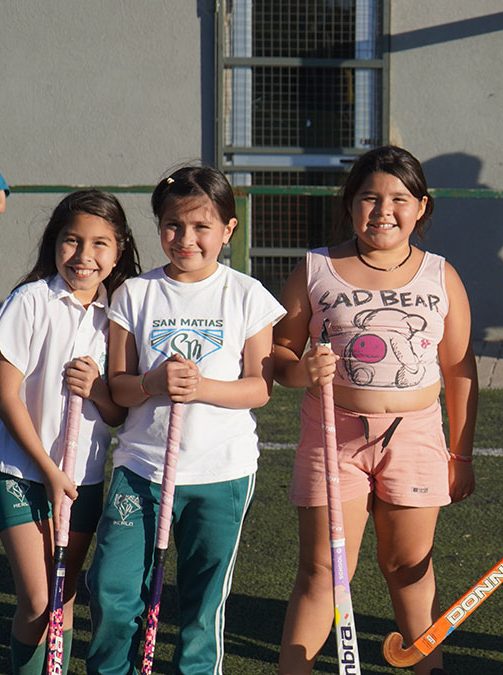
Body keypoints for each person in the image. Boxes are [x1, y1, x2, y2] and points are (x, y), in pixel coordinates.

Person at [273, 145, 478, 675]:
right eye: (370, 198)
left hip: (415, 438)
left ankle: (426, 665)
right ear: (349, 205)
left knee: (408, 565)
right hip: (333, 436)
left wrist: (463, 453)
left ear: (421, 207)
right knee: (323, 572)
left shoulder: (441, 275)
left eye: (399, 199)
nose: (384, 210)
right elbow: (280, 354)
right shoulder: (316, 267)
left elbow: (458, 369)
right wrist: (301, 371)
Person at [86, 167, 285, 674]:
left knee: (203, 601)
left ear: (229, 230)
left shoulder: (247, 294)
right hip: (142, 468)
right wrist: (154, 383)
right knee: (112, 586)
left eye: (202, 227)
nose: (186, 239)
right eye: (173, 226)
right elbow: (120, 385)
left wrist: (202, 388)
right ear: (159, 228)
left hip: (221, 471)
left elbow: (259, 387)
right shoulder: (134, 293)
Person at [0, 190, 140, 674]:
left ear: (119, 249)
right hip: (20, 472)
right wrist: (47, 470)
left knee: (62, 600)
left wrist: (100, 391)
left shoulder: (119, 315)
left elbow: (118, 413)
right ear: (54, 242)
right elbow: (5, 396)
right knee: (39, 600)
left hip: (83, 479)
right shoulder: (30, 300)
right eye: (71, 240)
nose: (84, 256)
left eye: (100, 243)